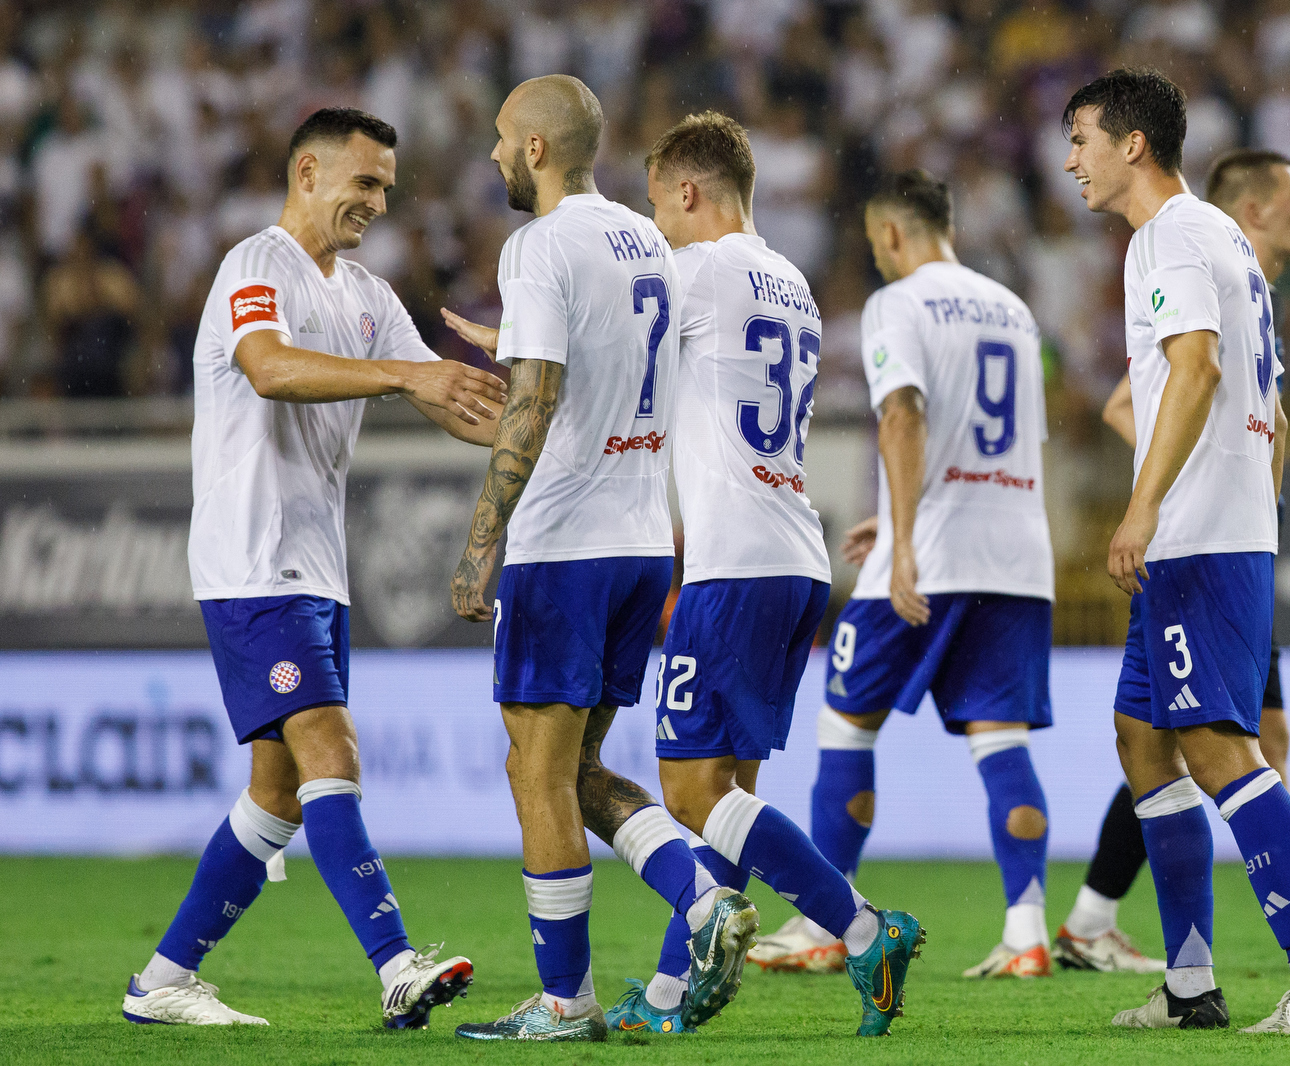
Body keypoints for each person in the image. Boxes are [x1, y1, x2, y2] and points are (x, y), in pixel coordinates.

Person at [124, 107, 505, 1029]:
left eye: (386, 188)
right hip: (252, 560)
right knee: (330, 747)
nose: (376, 201)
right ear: (306, 172)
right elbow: (267, 367)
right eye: (363, 182)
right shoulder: (255, 265)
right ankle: (394, 963)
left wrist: (543, 406)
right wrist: (408, 379)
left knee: (278, 791)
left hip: (314, 569)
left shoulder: (368, 294)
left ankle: (162, 981)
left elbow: (449, 397)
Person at [443, 77, 754, 1044]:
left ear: (536, 149)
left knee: (534, 775)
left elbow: (533, 391)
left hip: (565, 545)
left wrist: (482, 540)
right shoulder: (643, 239)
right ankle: (703, 899)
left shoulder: (537, 245)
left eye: (502, 139)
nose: (494, 155)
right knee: (577, 769)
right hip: (640, 548)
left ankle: (565, 1003)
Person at [600, 111, 923, 1039]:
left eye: (658, 203)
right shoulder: (793, 283)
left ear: (690, 193)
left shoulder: (695, 270)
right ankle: (674, 991)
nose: (654, 223)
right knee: (728, 796)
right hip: (794, 557)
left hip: (731, 562)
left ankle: (865, 927)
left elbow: (615, 338)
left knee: (689, 795)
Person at [1063, 68, 1290, 1033]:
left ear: (1133, 145)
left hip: (1196, 538)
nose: (1071, 158)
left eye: (1083, 138)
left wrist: (1142, 509)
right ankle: (1191, 987)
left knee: (1221, 751)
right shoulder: (1217, 235)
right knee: (1143, 742)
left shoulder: (1173, 237)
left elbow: (1197, 368)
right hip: (1213, 531)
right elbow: (1262, 401)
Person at [748, 169, 1058, 981]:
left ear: (889, 235)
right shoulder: (1016, 312)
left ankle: (826, 918)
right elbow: (1006, 442)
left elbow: (904, 413)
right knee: (1002, 740)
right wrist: (903, 516)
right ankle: (1027, 930)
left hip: (932, 554)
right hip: (1018, 553)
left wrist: (907, 541)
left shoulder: (897, 304)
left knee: (847, 726)